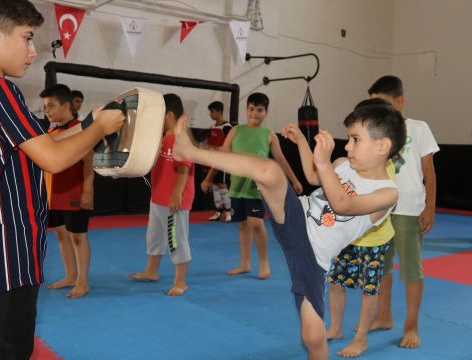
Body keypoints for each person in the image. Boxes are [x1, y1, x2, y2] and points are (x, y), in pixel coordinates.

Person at [0, 1, 125, 358]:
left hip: (2, 237)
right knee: (7, 348)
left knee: (7, 341)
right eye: (27, 38)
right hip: (7, 239)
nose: (33, 52)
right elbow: (54, 158)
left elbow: (45, 144)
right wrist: (100, 131)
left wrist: (88, 122)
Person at [173, 99, 405, 359]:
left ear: (383, 146)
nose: (347, 146)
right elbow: (313, 177)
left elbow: (344, 204)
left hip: (314, 257)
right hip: (297, 220)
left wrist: (325, 164)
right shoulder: (343, 164)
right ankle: (189, 151)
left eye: (355, 139)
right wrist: (303, 144)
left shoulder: (386, 194)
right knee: (269, 170)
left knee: (313, 337)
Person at [367, 75, 439, 349]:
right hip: (381, 209)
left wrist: (430, 207)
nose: (379, 110)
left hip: (410, 210)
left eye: (383, 103)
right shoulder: (375, 132)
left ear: (400, 102)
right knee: (381, 267)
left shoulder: (418, 129)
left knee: (411, 270)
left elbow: (429, 173)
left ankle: (411, 325)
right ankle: (384, 316)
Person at [202, 92, 303, 279]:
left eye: (259, 110)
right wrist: (208, 178)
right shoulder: (236, 131)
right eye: (251, 108)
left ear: (266, 112)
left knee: (255, 223)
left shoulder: (268, 134)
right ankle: (245, 262)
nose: (255, 113)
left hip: (255, 186)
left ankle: (264, 263)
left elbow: (280, 159)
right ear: (246, 109)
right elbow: (221, 156)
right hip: (236, 186)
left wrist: (294, 181)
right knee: (242, 224)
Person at [325, 139, 396, 357]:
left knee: (369, 289)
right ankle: (336, 328)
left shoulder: (384, 169)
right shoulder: (348, 164)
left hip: (373, 240)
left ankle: (361, 339)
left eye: (357, 140)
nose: (350, 146)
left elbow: (375, 204)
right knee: (335, 281)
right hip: (348, 236)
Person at [129, 94, 195, 296]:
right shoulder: (163, 138)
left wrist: (176, 194)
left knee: (175, 240)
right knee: (154, 236)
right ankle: (151, 271)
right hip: (158, 198)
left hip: (174, 201)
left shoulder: (180, 139)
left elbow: (184, 168)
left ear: (169, 116)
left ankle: (180, 281)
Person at [41, 84, 93, 298]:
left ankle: (83, 281)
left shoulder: (81, 129)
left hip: (74, 191)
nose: (47, 111)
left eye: (51, 106)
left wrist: (88, 190)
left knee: (78, 237)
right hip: (53, 193)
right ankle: (70, 276)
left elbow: (89, 162)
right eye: (45, 107)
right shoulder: (51, 131)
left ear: (66, 105)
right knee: (62, 235)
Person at [202, 101, 233, 222]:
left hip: (222, 162)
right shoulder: (213, 127)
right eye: (210, 112)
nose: (210, 114)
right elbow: (209, 143)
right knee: (214, 186)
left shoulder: (227, 128)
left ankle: (230, 212)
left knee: (222, 186)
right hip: (212, 162)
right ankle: (219, 212)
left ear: (219, 111)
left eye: (212, 112)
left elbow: (231, 146)